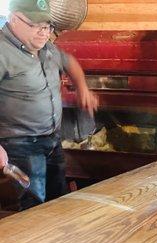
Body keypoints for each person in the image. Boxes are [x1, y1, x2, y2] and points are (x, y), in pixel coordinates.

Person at [0, 0, 98, 210]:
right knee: (32, 209)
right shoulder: (2, 52)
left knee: (58, 201)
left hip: (52, 140)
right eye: (38, 26)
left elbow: (68, 61)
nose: (45, 33)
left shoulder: (46, 47)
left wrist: (82, 88)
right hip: (20, 146)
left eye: (48, 26)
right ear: (14, 19)